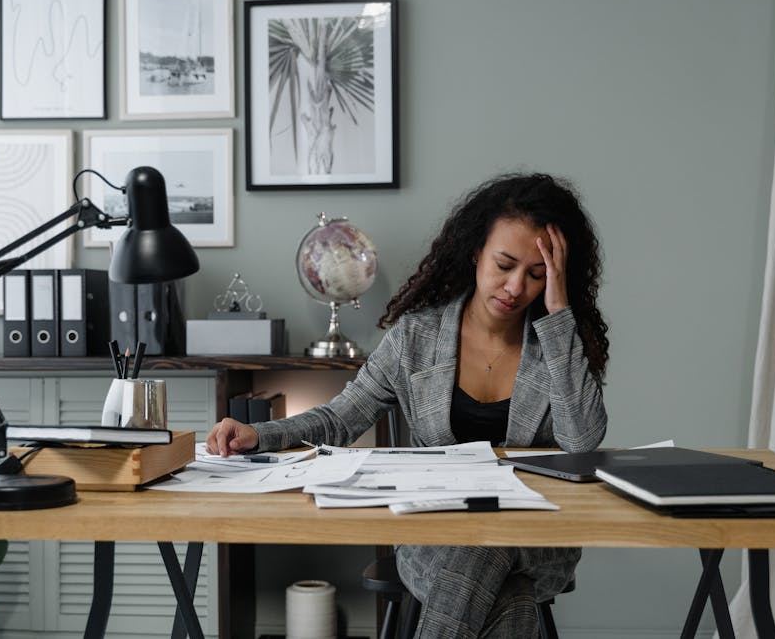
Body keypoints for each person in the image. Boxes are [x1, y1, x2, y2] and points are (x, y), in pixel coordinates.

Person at [206, 172, 609, 638]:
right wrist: (263, 435)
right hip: (434, 532)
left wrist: (559, 316)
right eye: (504, 264)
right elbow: (341, 418)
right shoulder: (415, 337)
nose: (516, 286)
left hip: (536, 537)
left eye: (536, 274)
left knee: (485, 547)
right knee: (507, 596)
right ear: (477, 251)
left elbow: (582, 441)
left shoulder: (559, 344)